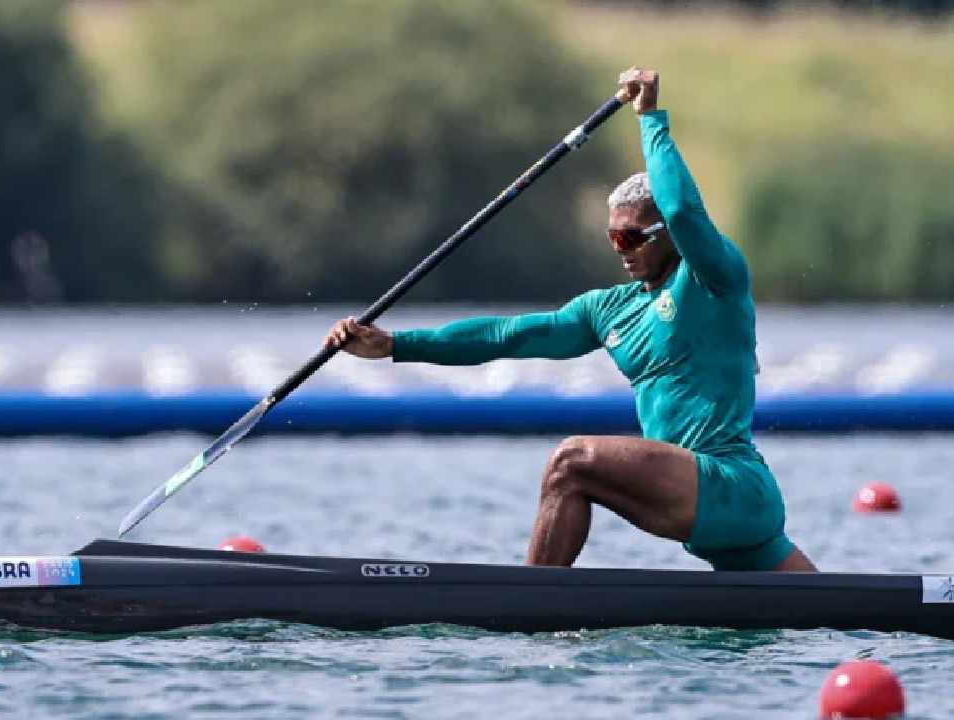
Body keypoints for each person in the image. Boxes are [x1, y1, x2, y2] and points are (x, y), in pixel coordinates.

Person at [325, 68, 817, 572]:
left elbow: (685, 211)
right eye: (612, 239)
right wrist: (395, 346)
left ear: (666, 234)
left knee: (570, 462)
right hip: (713, 517)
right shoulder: (608, 310)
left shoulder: (714, 278)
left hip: (729, 484)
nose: (620, 251)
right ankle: (549, 605)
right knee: (835, 615)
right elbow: (505, 336)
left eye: (631, 238)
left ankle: (528, 605)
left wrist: (650, 119)